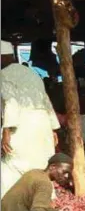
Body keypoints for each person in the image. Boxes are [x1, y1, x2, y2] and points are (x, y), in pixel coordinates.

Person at [1, 44, 61, 199]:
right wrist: (53, 128)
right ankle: (45, 199)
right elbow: (45, 99)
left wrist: (6, 130)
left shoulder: (4, 75)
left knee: (13, 164)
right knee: (40, 163)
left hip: (22, 126)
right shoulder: (31, 73)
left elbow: (11, 102)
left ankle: (13, 204)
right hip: (42, 124)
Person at [1, 153, 82, 211]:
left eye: (68, 173)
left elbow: (32, 205)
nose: (66, 176)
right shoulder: (45, 183)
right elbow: (37, 210)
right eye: (64, 171)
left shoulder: (35, 173)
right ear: (52, 167)